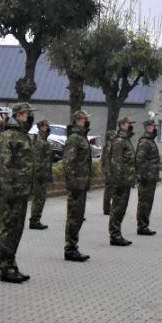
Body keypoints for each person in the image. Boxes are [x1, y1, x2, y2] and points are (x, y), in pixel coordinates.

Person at [0, 103, 35, 282]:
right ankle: (5, 267)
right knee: (8, 229)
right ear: (19, 115)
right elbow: (4, 166)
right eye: (27, 114)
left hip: (22, 191)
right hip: (11, 192)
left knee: (16, 230)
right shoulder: (9, 136)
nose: (29, 117)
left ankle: (11, 264)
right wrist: (8, 191)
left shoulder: (23, 136)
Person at [62, 110, 92, 262]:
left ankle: (73, 246)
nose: (87, 121)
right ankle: (70, 248)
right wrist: (73, 182)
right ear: (79, 120)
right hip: (76, 184)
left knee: (78, 216)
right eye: (85, 119)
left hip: (81, 183)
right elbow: (68, 161)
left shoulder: (81, 137)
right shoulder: (74, 138)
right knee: (74, 216)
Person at [106, 116, 136, 246]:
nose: (131, 126)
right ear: (123, 125)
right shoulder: (119, 141)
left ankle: (117, 233)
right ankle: (114, 235)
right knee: (117, 208)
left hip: (126, 180)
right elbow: (116, 162)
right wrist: (117, 181)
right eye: (129, 123)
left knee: (121, 208)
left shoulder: (126, 140)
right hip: (121, 181)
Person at [135, 118, 160, 235]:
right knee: (144, 202)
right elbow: (140, 160)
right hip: (146, 178)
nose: (154, 128)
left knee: (147, 202)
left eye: (154, 126)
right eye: (152, 126)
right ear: (148, 127)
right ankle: (142, 226)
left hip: (151, 177)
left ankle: (144, 224)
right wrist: (142, 176)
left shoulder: (150, 140)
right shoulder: (145, 142)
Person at [28, 119, 52, 230]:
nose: (48, 128)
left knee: (41, 198)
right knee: (39, 198)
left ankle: (36, 219)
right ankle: (34, 220)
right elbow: (37, 160)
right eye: (47, 126)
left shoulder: (43, 140)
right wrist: (38, 175)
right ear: (42, 127)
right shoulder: (40, 141)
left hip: (43, 174)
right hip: (39, 176)